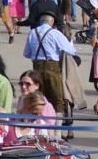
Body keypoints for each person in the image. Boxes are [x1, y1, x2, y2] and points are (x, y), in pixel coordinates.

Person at [24, 10, 77, 138]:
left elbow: (26, 54)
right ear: (52, 22)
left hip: (36, 68)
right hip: (52, 67)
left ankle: (37, 129)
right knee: (57, 99)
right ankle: (56, 132)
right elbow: (71, 51)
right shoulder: (55, 33)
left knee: (38, 98)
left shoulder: (32, 33)